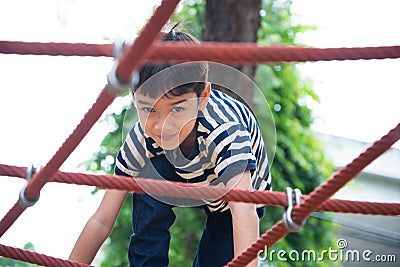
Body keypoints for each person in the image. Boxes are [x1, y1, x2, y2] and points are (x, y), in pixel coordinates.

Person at [69, 26, 271, 267]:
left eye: (177, 109)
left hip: (233, 198)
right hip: (177, 170)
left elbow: (243, 212)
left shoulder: (224, 131)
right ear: (134, 100)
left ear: (203, 97)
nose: (162, 126)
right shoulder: (141, 138)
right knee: (149, 174)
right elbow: (102, 219)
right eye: (148, 109)